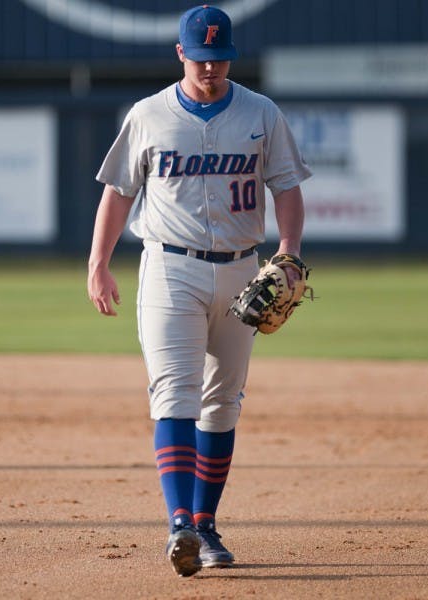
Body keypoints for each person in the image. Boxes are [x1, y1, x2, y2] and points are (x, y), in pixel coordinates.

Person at [87, 4, 311, 577]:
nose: (211, 68)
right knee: (175, 390)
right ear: (182, 53)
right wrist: (99, 263)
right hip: (170, 268)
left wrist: (288, 252)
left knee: (222, 401)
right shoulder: (148, 115)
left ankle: (206, 526)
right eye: (202, 57)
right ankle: (180, 523)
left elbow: (286, 185)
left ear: (230, 56)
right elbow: (118, 192)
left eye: (220, 58)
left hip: (242, 268)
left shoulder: (261, 113)